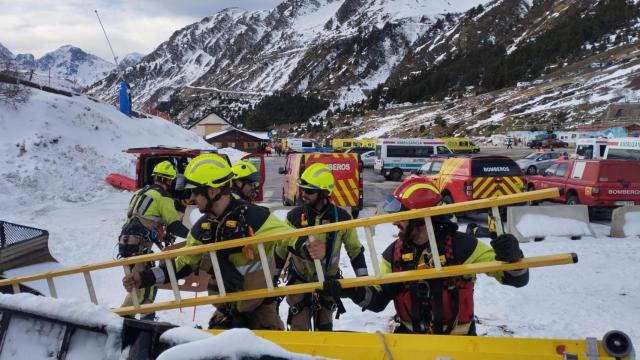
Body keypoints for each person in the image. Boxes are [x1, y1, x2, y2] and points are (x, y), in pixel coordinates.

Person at [322, 177, 528, 335]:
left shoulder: (462, 246)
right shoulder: (393, 254)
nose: (394, 222)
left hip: (459, 347)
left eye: (401, 216)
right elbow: (378, 301)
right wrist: (351, 291)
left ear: (420, 218)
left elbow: (515, 279)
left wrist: (513, 258)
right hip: (411, 345)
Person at [122, 153, 289, 330]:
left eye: (195, 192)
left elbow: (293, 237)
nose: (192, 198)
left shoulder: (256, 217)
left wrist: (309, 247)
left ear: (213, 191)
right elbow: (183, 264)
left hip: (261, 315)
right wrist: (144, 278)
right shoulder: (203, 229)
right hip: (226, 313)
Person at [275, 163, 369, 331]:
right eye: (302, 189)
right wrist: (273, 280)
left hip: (328, 283)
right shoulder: (294, 216)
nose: (304, 194)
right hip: (299, 282)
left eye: (309, 191)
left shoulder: (341, 218)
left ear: (325, 193)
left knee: (325, 328)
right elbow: (281, 249)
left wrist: (364, 281)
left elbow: (355, 251)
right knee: (299, 328)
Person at [118, 160, 190, 317]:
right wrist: (193, 236)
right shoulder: (163, 197)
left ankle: (145, 317)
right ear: (168, 180)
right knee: (141, 286)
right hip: (139, 247)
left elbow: (142, 219)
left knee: (146, 283)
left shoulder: (140, 192)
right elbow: (174, 225)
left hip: (126, 243)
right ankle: (123, 318)